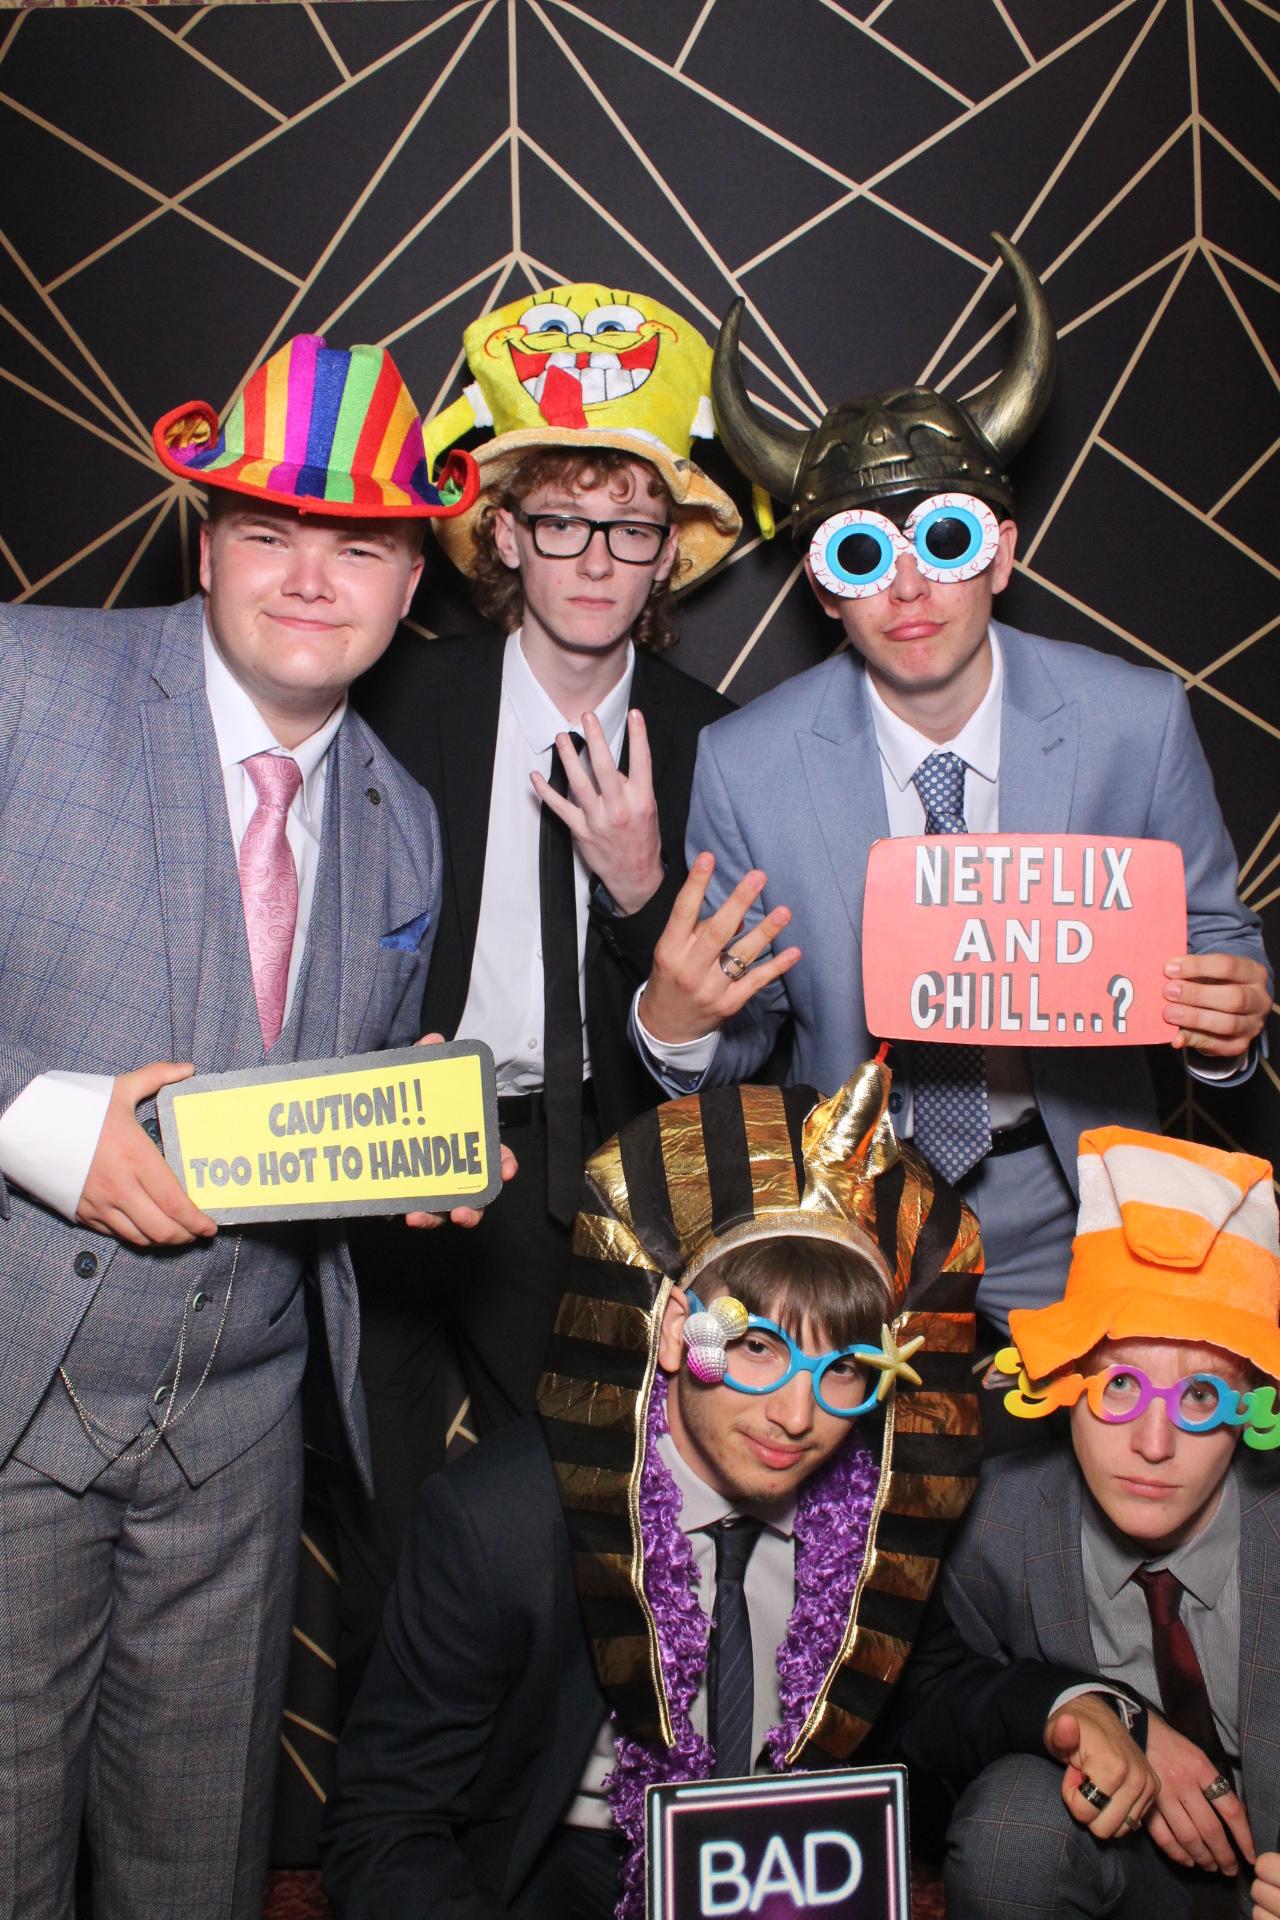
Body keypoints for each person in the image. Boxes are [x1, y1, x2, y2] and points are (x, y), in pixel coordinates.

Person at [0, 332, 491, 1917]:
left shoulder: (404, 824)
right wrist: (29, 1117)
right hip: (15, 1400)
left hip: (239, 1436)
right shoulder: (23, 679)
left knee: (195, 1870)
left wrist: (414, 1144)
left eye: (361, 546)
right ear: (207, 545)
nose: (311, 578)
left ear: (411, 581)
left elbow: (321, 1098)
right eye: (272, 532)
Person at [634, 234, 1269, 1338]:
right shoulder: (747, 764)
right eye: (861, 555)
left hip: (1084, 1198)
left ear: (1002, 553)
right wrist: (675, 1025)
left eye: (944, 538)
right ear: (824, 591)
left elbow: (1216, 939)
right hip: (856, 1217)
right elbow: (745, 1031)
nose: (909, 588)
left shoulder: (1135, 722)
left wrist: (1229, 1024)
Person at [322, 1054, 1117, 1919]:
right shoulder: (501, 1524)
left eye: (844, 1368)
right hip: (581, 1869)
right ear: (675, 1330)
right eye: (757, 1347)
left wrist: (1062, 1707)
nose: (796, 1415)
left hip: (795, 1875)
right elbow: (385, 1825)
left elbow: (919, 1688)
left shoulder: (875, 1503)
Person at [337, 283, 737, 1697]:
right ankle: (384, 1796)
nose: (592, 558)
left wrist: (638, 887)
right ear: (503, 535)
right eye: (560, 522)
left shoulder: (714, 742)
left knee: (576, 1515)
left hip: (589, 1161)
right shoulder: (396, 699)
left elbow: (734, 1026)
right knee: (374, 1517)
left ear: (667, 554)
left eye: (628, 528)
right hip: (394, 1136)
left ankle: (563, 1797)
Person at [890, 1124, 1280, 1918]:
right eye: (1120, 1386)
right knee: (1012, 1828)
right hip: (1130, 1878)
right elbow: (917, 1700)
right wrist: (1096, 1708)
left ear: (1252, 1409)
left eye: (1200, 1396)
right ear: (1065, 1382)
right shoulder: (991, 1523)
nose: (1153, 1444)